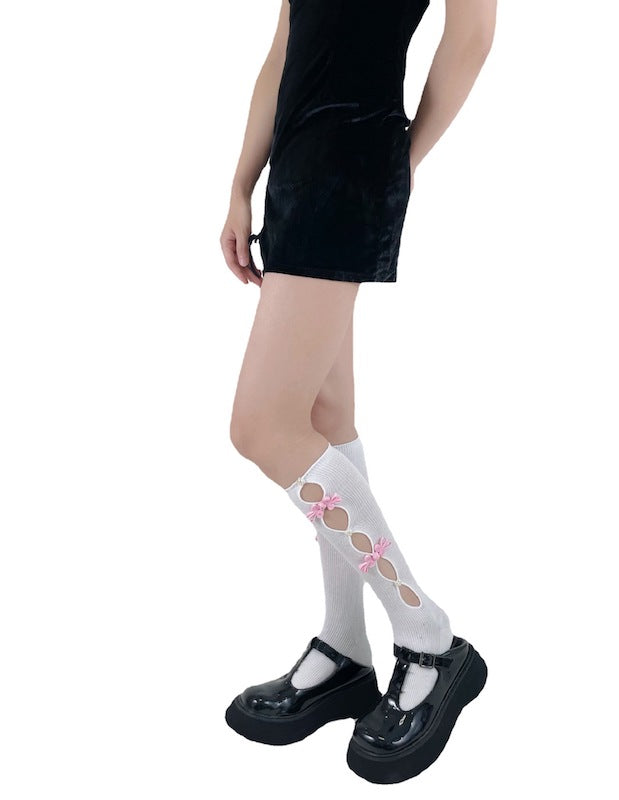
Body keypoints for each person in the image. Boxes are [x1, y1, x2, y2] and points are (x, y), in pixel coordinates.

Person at [221, 0, 496, 784]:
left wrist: (400, 158)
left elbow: (474, 33)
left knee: (261, 427)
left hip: (351, 163)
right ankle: (345, 650)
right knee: (321, 415)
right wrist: (241, 183)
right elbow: (287, 41)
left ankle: (429, 637)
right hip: (297, 164)